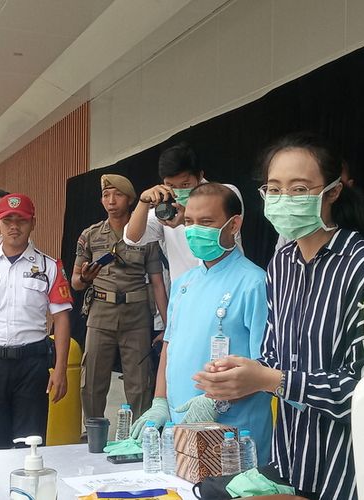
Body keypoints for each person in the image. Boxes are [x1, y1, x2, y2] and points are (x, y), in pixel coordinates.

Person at [194, 132, 364, 500]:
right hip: (288, 462)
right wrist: (238, 374)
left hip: (346, 471)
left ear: (332, 191)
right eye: (273, 189)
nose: (284, 200)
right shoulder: (281, 265)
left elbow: (358, 390)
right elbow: (273, 355)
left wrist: (275, 380)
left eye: (299, 189)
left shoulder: (357, 266)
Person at [130, 183, 272, 465]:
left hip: (234, 432)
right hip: (179, 428)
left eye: (206, 222)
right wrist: (160, 401)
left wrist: (216, 400)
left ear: (234, 225)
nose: (195, 230)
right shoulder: (184, 283)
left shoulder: (254, 282)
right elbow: (170, 346)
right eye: (190, 222)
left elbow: (265, 364)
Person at [0, 193, 73, 450]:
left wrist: (60, 369)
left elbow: (61, 319)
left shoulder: (48, 267)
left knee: (30, 445)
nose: (14, 227)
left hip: (33, 365)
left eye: (21, 220)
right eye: (7, 221)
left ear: (33, 223)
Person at [71, 174, 168, 421]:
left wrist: (169, 325)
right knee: (92, 380)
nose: (111, 201)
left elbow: (157, 282)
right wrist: (85, 277)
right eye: (105, 195)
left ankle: (140, 436)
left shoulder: (146, 235)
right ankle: (93, 433)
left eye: (117, 195)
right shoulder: (90, 235)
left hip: (136, 315)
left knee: (139, 382)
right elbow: (75, 282)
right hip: (101, 311)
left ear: (131, 200)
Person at [124, 142, 243, 280]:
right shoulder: (165, 209)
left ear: (199, 176)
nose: (178, 191)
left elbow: (222, 238)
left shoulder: (226, 194)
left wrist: (185, 221)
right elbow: (132, 238)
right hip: (186, 291)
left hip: (227, 281)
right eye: (171, 185)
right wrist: (143, 202)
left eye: (185, 184)